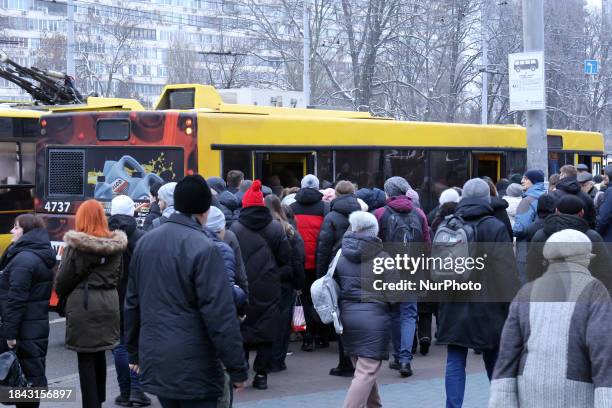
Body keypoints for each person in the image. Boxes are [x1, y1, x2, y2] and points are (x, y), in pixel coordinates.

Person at [125, 175, 248, 408]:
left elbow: (132, 302)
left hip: (157, 358)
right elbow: (219, 314)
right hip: (197, 363)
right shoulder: (205, 248)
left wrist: (133, 352)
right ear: (205, 211)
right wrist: (236, 367)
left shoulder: (146, 242)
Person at [489, 229, 612, 408]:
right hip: (578, 392)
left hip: (529, 389)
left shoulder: (526, 292)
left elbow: (508, 352)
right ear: (584, 258)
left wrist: (502, 400)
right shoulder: (594, 290)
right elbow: (603, 350)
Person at [436, 178, 519, 408]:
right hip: (488, 305)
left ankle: (452, 406)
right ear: (486, 198)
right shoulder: (494, 226)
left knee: (455, 358)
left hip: (453, 300)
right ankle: (500, 403)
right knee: (493, 359)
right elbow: (505, 271)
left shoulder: (449, 222)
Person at [56, 200, 128, 408]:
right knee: (100, 355)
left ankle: (91, 404)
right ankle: (99, 399)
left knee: (85, 358)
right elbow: (119, 276)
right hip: (109, 302)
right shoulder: (116, 246)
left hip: (84, 305)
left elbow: (62, 280)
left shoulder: (76, 247)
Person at [230, 180, 291, 390]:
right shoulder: (276, 228)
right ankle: (262, 374)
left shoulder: (235, 228)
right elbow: (286, 259)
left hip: (242, 285)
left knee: (242, 327)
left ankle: (242, 369)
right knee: (266, 329)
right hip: (269, 286)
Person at [336, 212, 395, 408]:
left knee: (364, 370)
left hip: (347, 316)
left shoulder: (341, 255)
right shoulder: (383, 257)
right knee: (365, 372)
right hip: (374, 318)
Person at [373, 177, 430, 377]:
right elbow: (427, 246)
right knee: (409, 315)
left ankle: (397, 356)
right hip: (413, 271)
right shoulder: (420, 214)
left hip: (389, 272)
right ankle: (406, 360)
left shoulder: (379, 214)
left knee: (394, 314)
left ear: (388, 193)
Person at [0, 214, 54, 408]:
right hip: (35, 328)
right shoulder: (36, 254)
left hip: (23, 330)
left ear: (27, 232)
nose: (11, 231)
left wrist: (10, 334)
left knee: (23, 385)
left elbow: (16, 300)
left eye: (16, 227)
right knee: (29, 381)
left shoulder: (24, 259)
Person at [316, 180, 362, 377]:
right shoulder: (363, 214)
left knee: (338, 313)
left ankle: (345, 363)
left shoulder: (331, 216)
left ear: (336, 194)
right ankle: (359, 358)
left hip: (336, 269)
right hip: (360, 267)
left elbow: (324, 248)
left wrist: (320, 276)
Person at [107, 196, 150, 407]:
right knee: (136, 342)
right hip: (137, 296)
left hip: (112, 297)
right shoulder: (141, 236)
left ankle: (125, 392)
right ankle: (137, 389)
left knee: (119, 345)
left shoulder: (105, 236)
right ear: (132, 212)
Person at [527, 195, 612, 292]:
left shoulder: (540, 236)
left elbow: (532, 268)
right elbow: (603, 269)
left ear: (556, 211)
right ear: (582, 213)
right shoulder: (592, 237)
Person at [264, 194, 305, 373]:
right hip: (285, 280)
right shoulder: (288, 229)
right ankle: (278, 359)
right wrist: (299, 282)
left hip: (263, 280)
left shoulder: (258, 228)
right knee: (282, 319)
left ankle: (264, 359)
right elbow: (298, 258)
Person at [289, 174, 329, 353]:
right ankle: (321, 335)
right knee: (321, 298)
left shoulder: (291, 208)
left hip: (300, 261)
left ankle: (307, 337)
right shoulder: (325, 207)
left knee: (303, 299)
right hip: (320, 261)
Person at [205, 206, 249, 304]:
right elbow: (240, 273)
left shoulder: (192, 240)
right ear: (221, 228)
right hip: (226, 301)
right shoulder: (229, 237)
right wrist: (244, 301)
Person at [513, 170, 546, 285]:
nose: (522, 181)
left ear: (534, 181)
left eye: (526, 178)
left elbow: (519, 229)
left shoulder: (527, 200)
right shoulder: (547, 196)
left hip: (526, 248)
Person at [596, 165, 612, 242]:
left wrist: (596, 233)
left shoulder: (610, 191)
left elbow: (604, 217)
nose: (603, 177)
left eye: (605, 174)